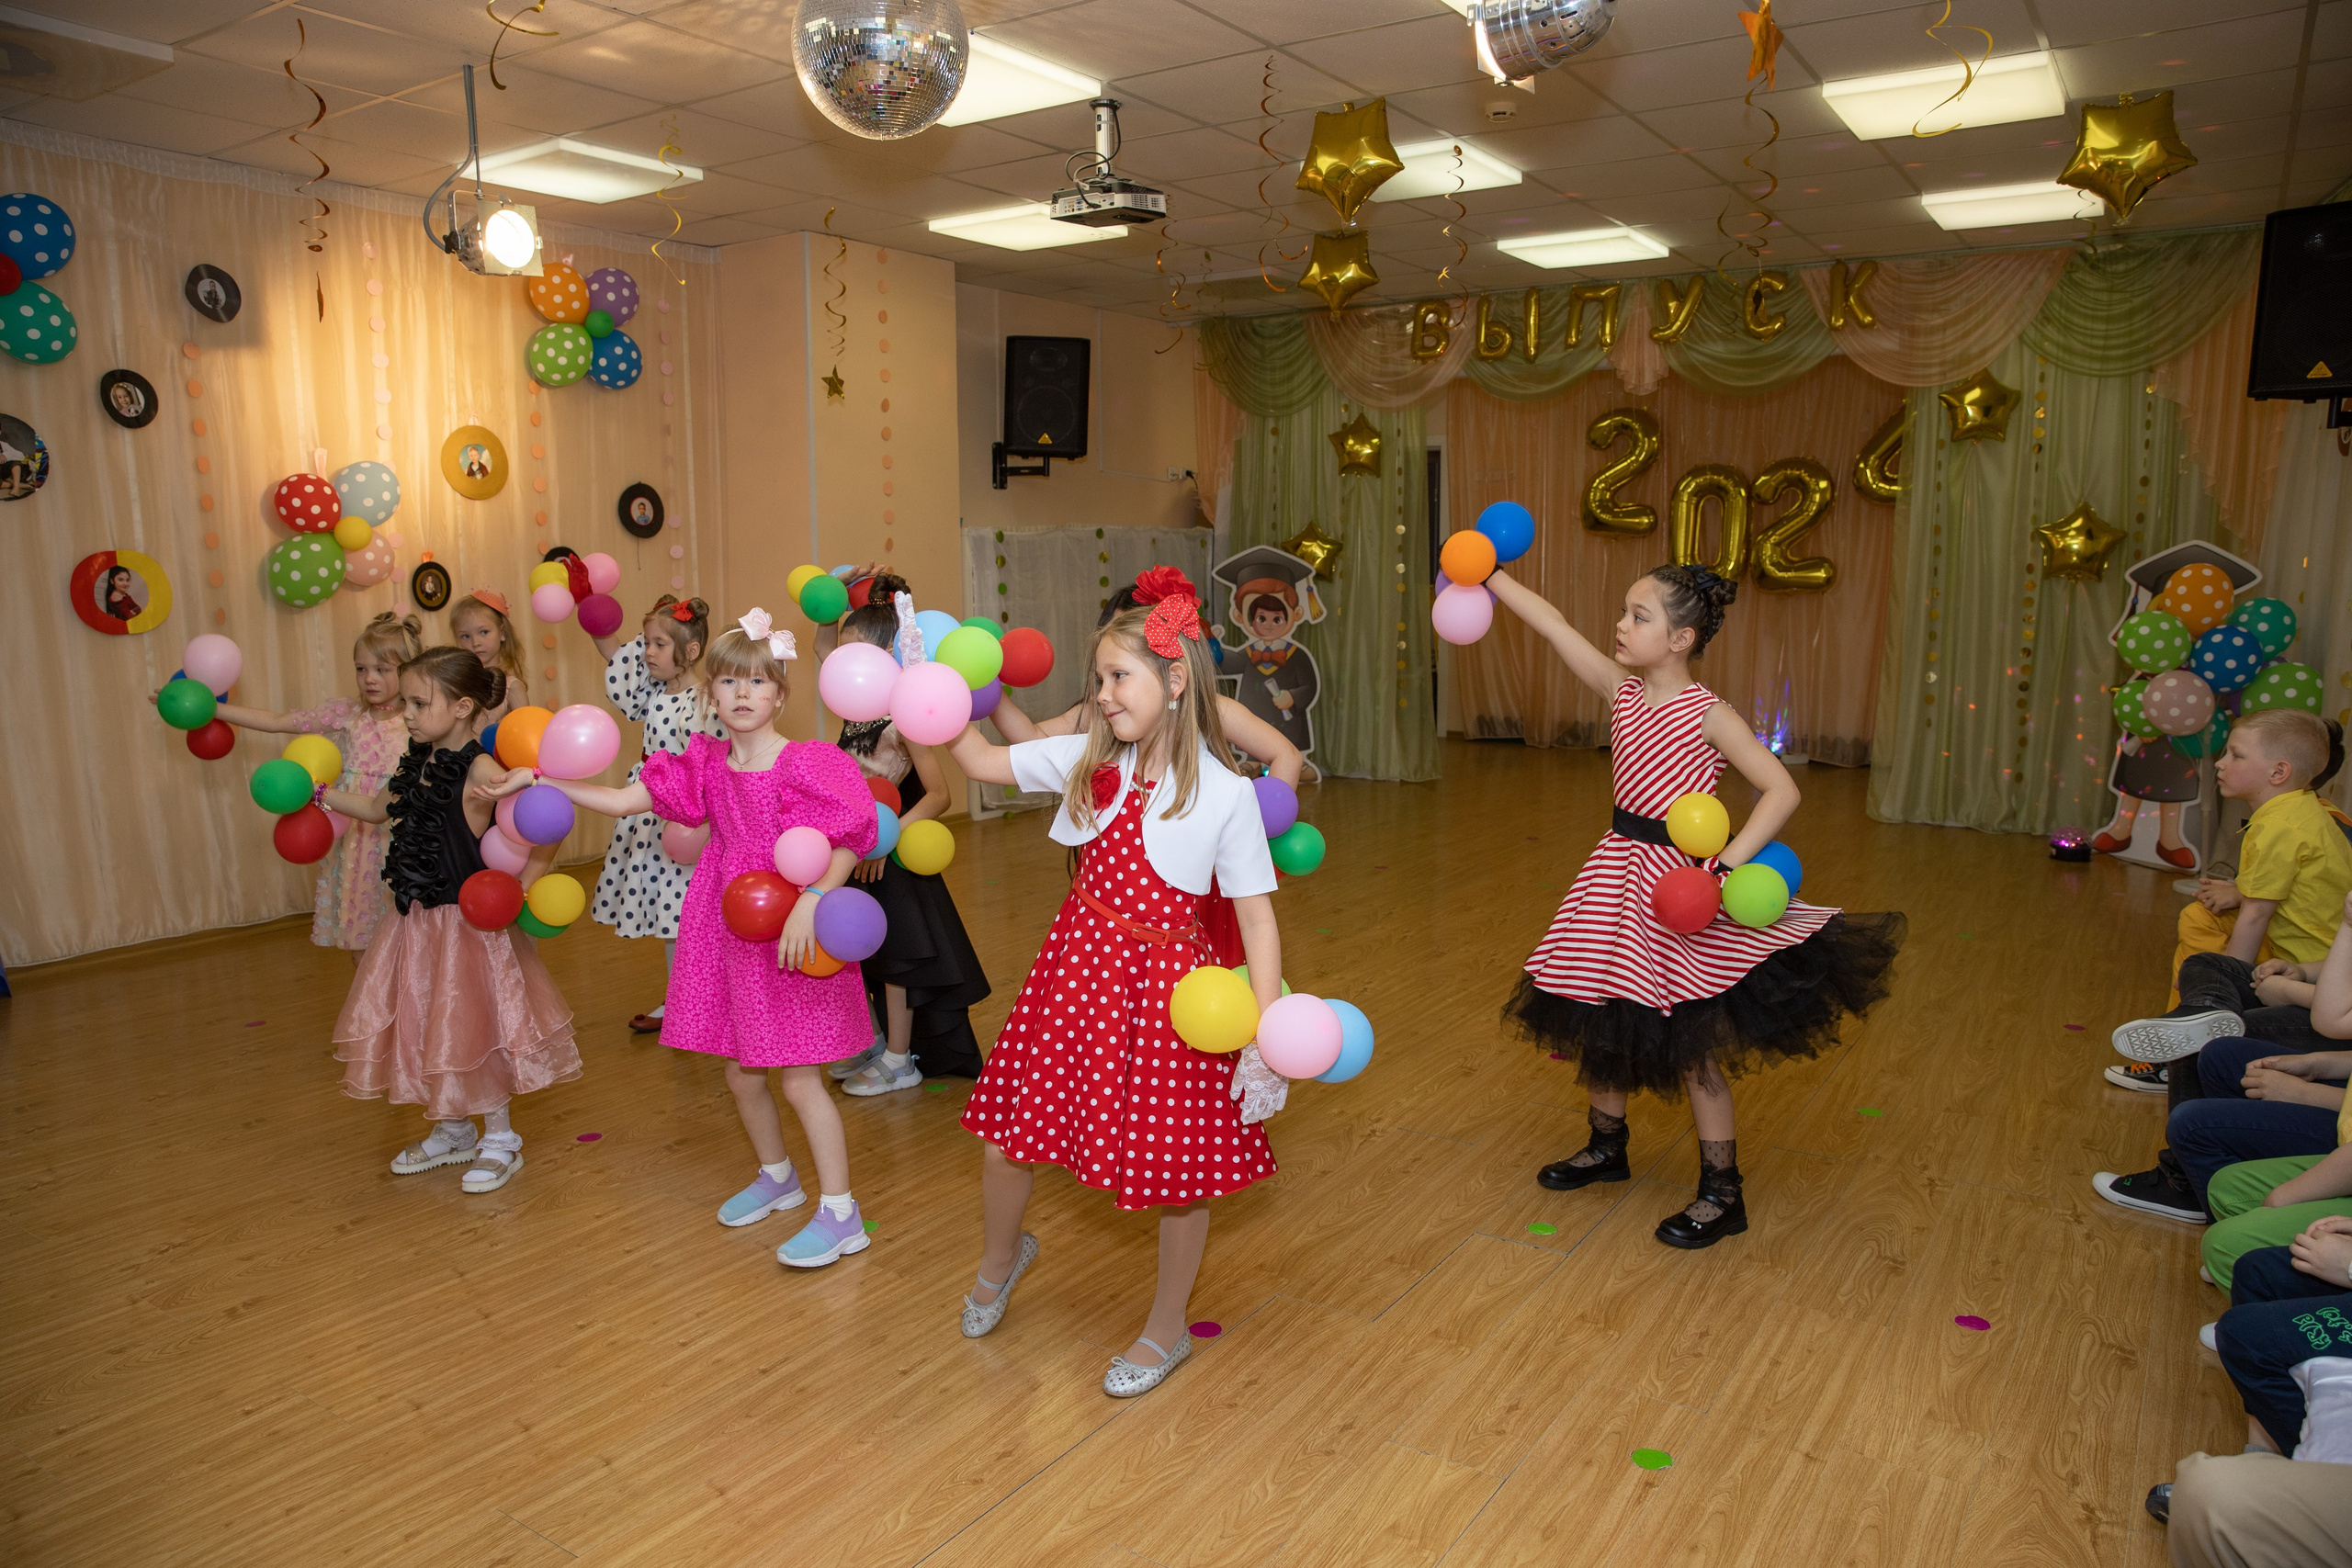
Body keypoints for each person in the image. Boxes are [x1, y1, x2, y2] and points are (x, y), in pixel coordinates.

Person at [1486, 561, 1905, 1248]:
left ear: (1680, 638)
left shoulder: (1709, 714)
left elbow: (1781, 790)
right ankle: (1606, 1147)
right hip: (1614, 874)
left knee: (1692, 1037)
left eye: (1639, 616)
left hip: (1678, 888)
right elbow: (1554, 624)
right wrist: (1490, 576)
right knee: (1601, 1008)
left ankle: (1722, 1190)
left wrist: (1725, 865)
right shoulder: (1621, 692)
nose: (1621, 625)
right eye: (1624, 612)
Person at [943, 566, 1289, 1398]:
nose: (1100, 694)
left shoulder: (1227, 796)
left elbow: (1257, 919)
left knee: (1180, 1171)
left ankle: (1166, 1329)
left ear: (1174, 681)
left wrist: (1267, 1031)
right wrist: (938, 691)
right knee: (1011, 1134)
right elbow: (984, 758)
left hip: (1169, 996)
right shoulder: (1088, 759)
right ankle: (1002, 1258)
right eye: (1097, 679)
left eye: (1116, 677)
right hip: (1075, 973)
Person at [490, 611, 880, 1268]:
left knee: (799, 1079)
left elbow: (844, 836)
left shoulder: (805, 763)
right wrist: (543, 780)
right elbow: (620, 801)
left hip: (789, 926)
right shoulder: (704, 764)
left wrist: (813, 900)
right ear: (711, 696)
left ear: (781, 694)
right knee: (741, 1072)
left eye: (758, 682)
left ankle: (841, 1213)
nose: (743, 694)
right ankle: (776, 1174)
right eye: (729, 682)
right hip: (728, 921)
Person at [325, 647, 581, 1194]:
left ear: (463, 706)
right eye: (406, 703)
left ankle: (501, 1139)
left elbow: (549, 819)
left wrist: (527, 882)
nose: (408, 714)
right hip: (414, 921)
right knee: (429, 1024)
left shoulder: (483, 768)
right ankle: (453, 1127)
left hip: (469, 927)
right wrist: (321, 795)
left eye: (419, 703)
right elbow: (375, 811)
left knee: (479, 1027)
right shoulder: (415, 761)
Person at [2097, 712, 2352, 1220]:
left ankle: (2184, 1185)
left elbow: (2255, 917)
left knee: (2210, 1028)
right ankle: (2209, 1011)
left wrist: (2247, 991)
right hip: (2314, 974)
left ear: (2278, 773)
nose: (2219, 761)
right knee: (2208, 982)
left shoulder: (2281, 823)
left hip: (2325, 999)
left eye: (2235, 754)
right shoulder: (2298, 811)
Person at [989, 580, 1304, 969]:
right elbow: (1032, 741)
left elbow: (1285, 754)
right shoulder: (1106, 711)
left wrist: (1256, 832)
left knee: (1202, 983)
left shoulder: (1210, 707)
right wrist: (985, 690)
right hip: (1130, 886)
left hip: (1199, 875)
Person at [829, 577, 989, 1093]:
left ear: (883, 655)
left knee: (898, 956)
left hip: (891, 855)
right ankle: (880, 1043)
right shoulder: (855, 711)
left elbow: (939, 794)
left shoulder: (903, 716)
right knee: (866, 953)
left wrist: (888, 838)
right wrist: (834, 589)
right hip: (858, 851)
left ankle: (901, 1059)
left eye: (854, 651)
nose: (843, 661)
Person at [201, 612, 423, 954]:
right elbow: (277, 722)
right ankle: (374, 1006)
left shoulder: (419, 721)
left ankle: (404, 1005)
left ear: (409, 670)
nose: (369, 679)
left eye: (382, 669)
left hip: (399, 837)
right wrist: (211, 709)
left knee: (405, 939)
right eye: (361, 669)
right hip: (353, 838)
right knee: (359, 939)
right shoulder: (348, 714)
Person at [582, 594, 722, 1033]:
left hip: (687, 820)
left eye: (659, 644)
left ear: (691, 651)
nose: (647, 653)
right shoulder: (654, 695)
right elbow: (616, 662)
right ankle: (678, 998)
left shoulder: (704, 702)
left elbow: (715, 767)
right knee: (669, 915)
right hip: (650, 812)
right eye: (647, 643)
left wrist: (698, 822)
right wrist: (588, 607)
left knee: (692, 915)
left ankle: (706, 1001)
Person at [449, 590, 529, 723]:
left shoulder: (512, 688)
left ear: (502, 632)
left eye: (484, 632)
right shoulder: (457, 686)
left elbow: (525, 733)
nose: (475, 643)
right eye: (465, 636)